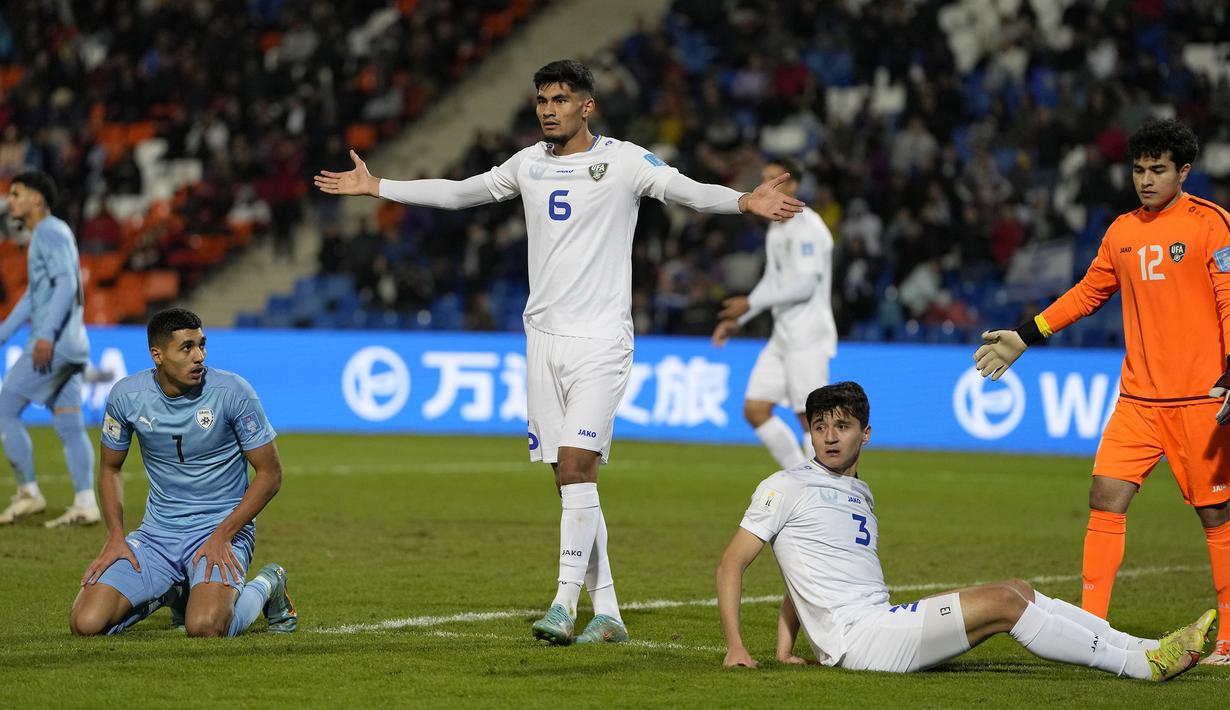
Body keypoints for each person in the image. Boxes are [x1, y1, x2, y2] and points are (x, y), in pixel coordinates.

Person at [315, 59, 804, 645]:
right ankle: (611, 613)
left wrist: (743, 201)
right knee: (571, 483)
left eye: (561, 98)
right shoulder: (528, 165)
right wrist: (379, 186)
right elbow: (460, 193)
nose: (549, 108)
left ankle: (562, 606)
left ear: (586, 106)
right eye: (542, 99)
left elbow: (686, 191)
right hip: (542, 341)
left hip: (601, 340)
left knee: (576, 467)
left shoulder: (622, 160)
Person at [717, 381, 1217, 679]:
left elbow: (806, 572)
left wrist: (785, 648)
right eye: (820, 425)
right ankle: (1142, 667)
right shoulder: (786, 484)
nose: (829, 436)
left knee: (1016, 589)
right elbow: (731, 563)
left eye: (841, 426)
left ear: (864, 434)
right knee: (1005, 605)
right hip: (861, 640)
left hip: (879, 622)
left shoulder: (859, 492)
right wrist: (737, 646)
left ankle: (1145, 647)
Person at [974, 118, 1230, 665]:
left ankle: (1229, 639)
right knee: (1105, 497)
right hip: (1138, 401)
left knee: (1216, 515)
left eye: (1158, 170)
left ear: (1183, 172)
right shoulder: (1122, 231)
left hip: (1201, 398)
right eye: (1139, 169)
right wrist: (1026, 335)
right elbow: (1088, 293)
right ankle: (1092, 627)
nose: (1145, 179)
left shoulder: (1212, 225)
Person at [68, 308, 297, 637]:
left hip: (222, 530)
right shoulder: (126, 396)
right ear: (157, 355)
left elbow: (270, 474)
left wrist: (223, 535)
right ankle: (174, 589)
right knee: (86, 624)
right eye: (187, 348)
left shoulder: (233, 392)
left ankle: (267, 584)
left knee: (205, 627)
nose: (199, 356)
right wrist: (115, 536)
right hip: (156, 537)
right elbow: (110, 467)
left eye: (202, 345)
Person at [712, 158, 836, 469]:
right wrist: (738, 318)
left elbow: (806, 286)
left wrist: (751, 305)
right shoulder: (778, 227)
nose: (765, 185)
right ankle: (799, 475)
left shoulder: (808, 227)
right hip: (783, 334)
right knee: (755, 408)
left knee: (810, 417)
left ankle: (824, 487)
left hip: (808, 335)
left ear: (792, 186)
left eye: (773, 179)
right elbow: (773, 280)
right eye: (763, 178)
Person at [0, 171, 98, 528]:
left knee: (4, 409)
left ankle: (28, 493)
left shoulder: (48, 231)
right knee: (70, 424)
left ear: (36, 199)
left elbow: (67, 283)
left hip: (53, 343)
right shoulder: (50, 234)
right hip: (73, 346)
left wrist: (45, 335)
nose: (10, 200)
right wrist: (4, 333)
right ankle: (86, 502)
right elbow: (32, 297)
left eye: (16, 193)